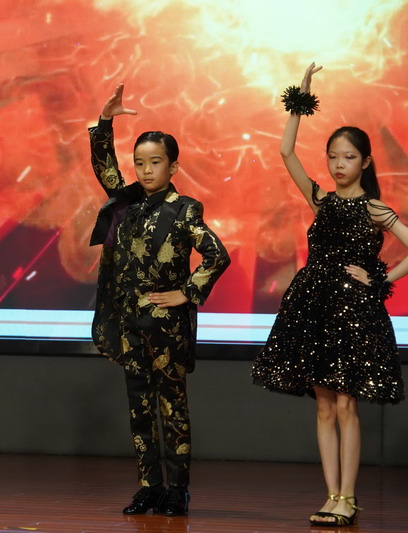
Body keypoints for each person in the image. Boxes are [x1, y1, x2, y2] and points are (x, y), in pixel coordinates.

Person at [252, 63, 406, 527]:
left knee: (345, 405)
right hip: (314, 307)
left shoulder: (374, 208)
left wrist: (379, 280)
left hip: (353, 311)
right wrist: (300, 99)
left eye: (348, 157)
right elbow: (285, 151)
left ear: (365, 162)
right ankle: (331, 495)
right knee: (322, 405)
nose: (339, 164)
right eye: (333, 156)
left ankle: (349, 499)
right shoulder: (321, 200)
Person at [88, 83, 230, 516]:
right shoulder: (127, 204)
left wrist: (185, 293)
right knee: (139, 409)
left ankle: (178, 490)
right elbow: (104, 168)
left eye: (155, 162)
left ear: (173, 165)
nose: (146, 170)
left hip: (167, 329)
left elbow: (217, 255)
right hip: (129, 325)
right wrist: (105, 121)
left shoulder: (184, 209)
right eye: (140, 163)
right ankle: (149, 486)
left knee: (173, 407)